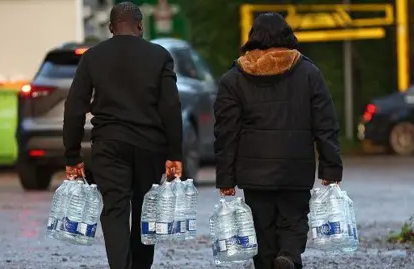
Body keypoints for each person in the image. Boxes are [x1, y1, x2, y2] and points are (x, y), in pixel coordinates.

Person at [214, 13, 343, 269]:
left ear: (254, 38)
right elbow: (325, 123)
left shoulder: (234, 79)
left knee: (262, 230)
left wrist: (226, 178)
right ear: (287, 36)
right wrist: (331, 167)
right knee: (294, 221)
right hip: (295, 168)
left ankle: (272, 261)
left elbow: (226, 132)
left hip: (254, 173)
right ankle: (289, 256)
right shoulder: (308, 72)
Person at [62, 2, 183, 269]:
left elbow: (74, 107)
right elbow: (171, 107)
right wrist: (175, 153)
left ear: (110, 28)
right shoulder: (159, 56)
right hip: (150, 146)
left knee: (115, 209)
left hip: (109, 145)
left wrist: (72, 154)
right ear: (140, 26)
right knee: (145, 209)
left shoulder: (93, 57)